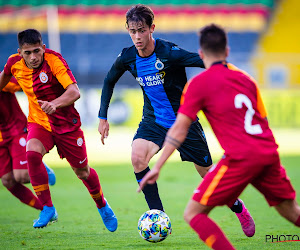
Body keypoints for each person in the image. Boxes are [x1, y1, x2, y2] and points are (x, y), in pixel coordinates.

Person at [138, 24, 300, 249]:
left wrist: (158, 166)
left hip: (241, 158)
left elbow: (179, 128)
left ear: (202, 54)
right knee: (292, 213)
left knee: (194, 214)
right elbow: (262, 119)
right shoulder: (246, 79)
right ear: (227, 51)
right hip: (268, 153)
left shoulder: (198, 84)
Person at [98, 4, 254, 237]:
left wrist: (234, 78)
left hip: (184, 121)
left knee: (208, 174)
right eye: (132, 31)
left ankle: (238, 207)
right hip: (154, 121)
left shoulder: (169, 53)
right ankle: (158, 217)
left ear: (152, 28)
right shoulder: (127, 56)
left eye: (141, 30)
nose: (137, 36)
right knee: (137, 157)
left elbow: (206, 62)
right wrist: (102, 116)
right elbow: (109, 80)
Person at [0, 29, 118, 231]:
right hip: (39, 123)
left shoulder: (54, 60)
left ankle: (103, 205)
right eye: (28, 53)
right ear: (20, 52)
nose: (33, 57)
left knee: (83, 172)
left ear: (43, 48)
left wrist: (55, 104)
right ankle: (47, 207)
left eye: (37, 51)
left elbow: (74, 91)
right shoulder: (14, 64)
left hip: (66, 125)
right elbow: (3, 80)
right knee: (31, 153)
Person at [0, 76, 56, 214]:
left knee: (22, 177)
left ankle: (38, 164)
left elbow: (16, 84)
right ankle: (46, 210)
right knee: (7, 181)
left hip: (16, 131)